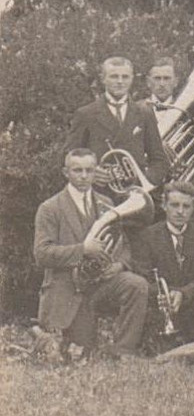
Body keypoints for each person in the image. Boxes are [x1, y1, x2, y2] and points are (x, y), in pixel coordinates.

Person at [33, 149, 151, 361]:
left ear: (96, 172)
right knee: (80, 350)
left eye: (89, 170)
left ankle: (124, 351)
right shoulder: (50, 208)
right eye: (77, 170)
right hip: (69, 288)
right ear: (65, 172)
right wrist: (83, 250)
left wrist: (120, 265)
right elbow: (42, 254)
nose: (84, 176)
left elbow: (123, 244)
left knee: (137, 284)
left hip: (101, 284)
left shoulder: (106, 202)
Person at [131, 180, 194, 344]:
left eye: (186, 206)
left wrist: (183, 293)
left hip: (193, 299)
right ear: (164, 206)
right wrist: (168, 294)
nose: (180, 211)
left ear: (193, 208)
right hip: (162, 303)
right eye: (174, 205)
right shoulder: (147, 236)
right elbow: (142, 277)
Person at [66, 55, 169, 193]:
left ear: (132, 79)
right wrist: (90, 172)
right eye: (114, 76)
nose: (120, 81)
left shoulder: (144, 113)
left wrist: (145, 181)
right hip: (99, 193)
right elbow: (68, 156)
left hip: (136, 193)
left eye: (125, 77)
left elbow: (159, 160)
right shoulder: (86, 114)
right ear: (103, 79)